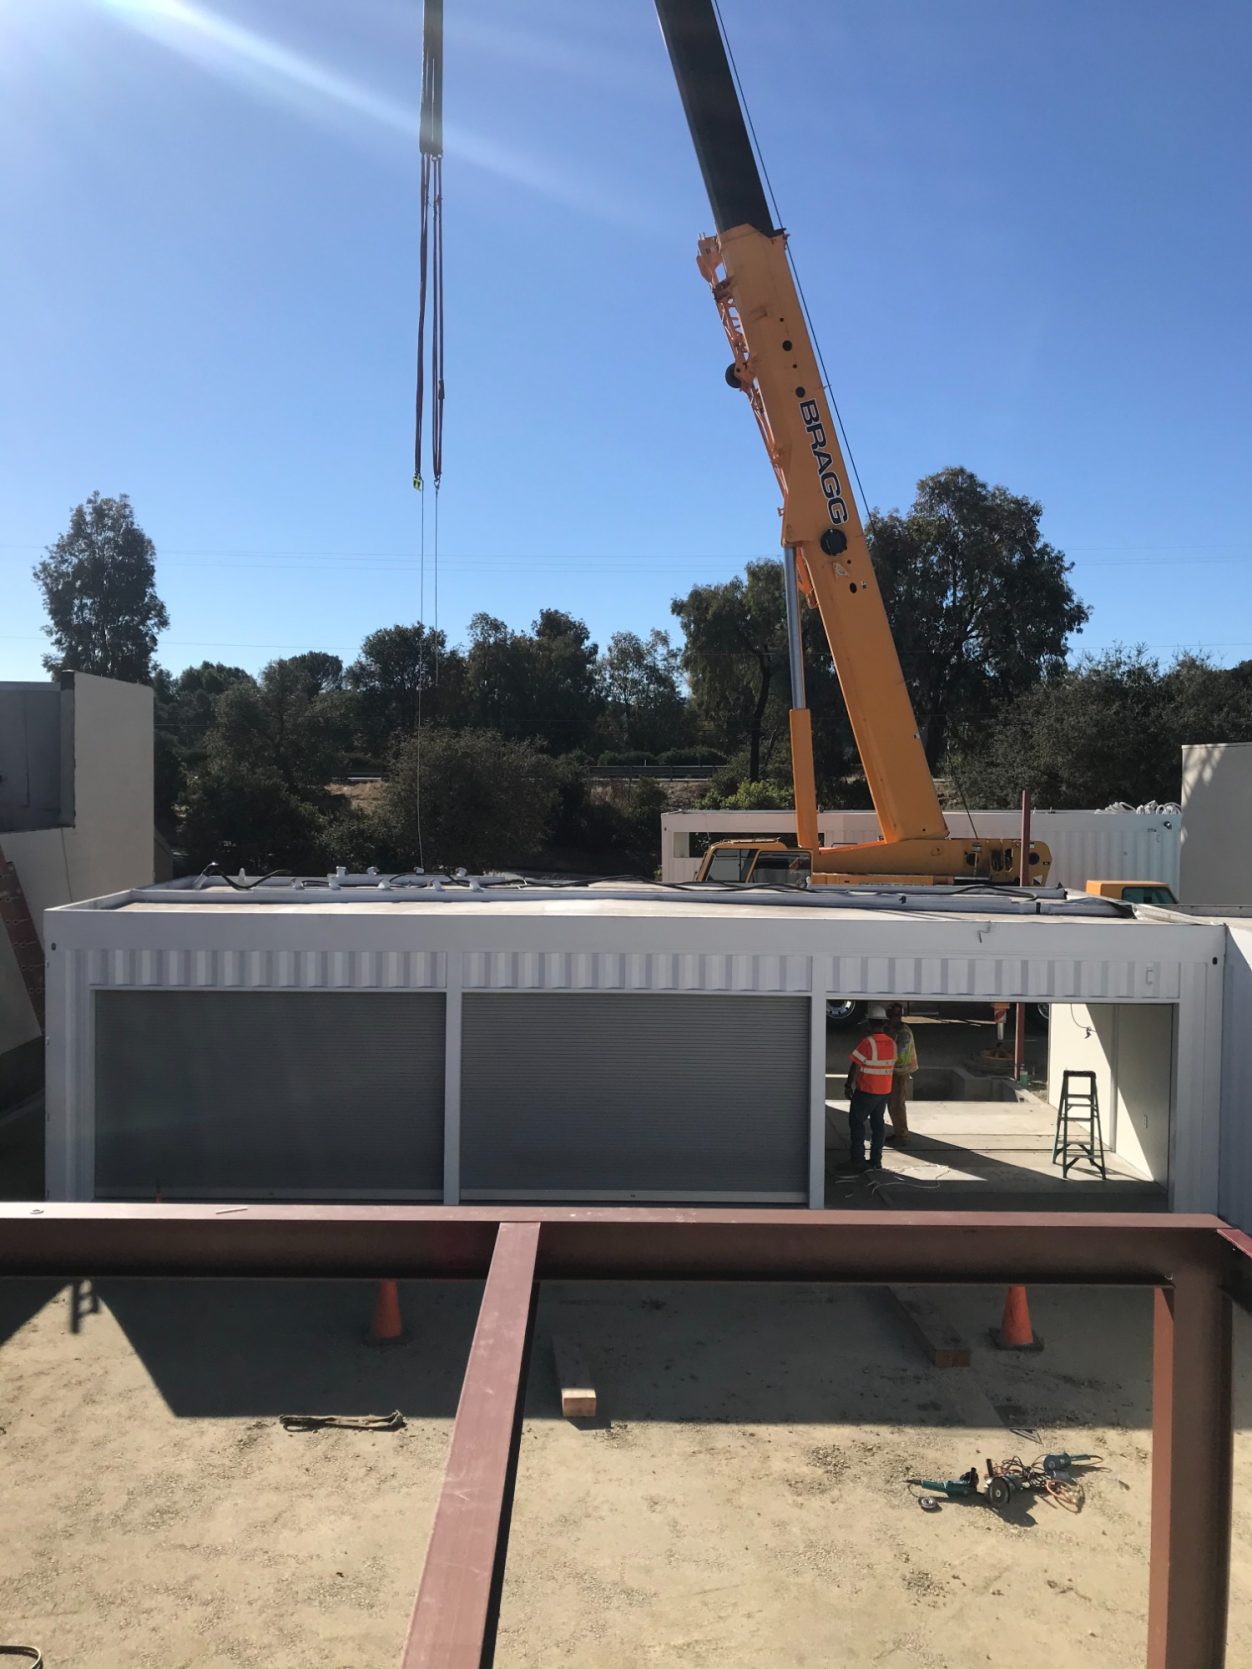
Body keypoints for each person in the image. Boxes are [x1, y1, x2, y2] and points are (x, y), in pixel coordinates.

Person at [842, 1004, 896, 1172]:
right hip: (884, 1092)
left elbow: (855, 1066)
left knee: (857, 1122)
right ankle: (875, 1161)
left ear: (869, 1023)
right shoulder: (892, 1043)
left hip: (867, 1091)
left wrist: (848, 1085)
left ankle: (857, 1160)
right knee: (878, 1124)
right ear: (884, 1023)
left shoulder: (867, 1043)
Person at [885, 1003, 917, 1147]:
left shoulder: (903, 1033)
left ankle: (902, 1135)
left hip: (899, 1073)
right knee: (893, 1105)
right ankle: (899, 1132)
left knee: (896, 1104)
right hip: (894, 1071)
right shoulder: (892, 1029)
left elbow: (901, 1057)